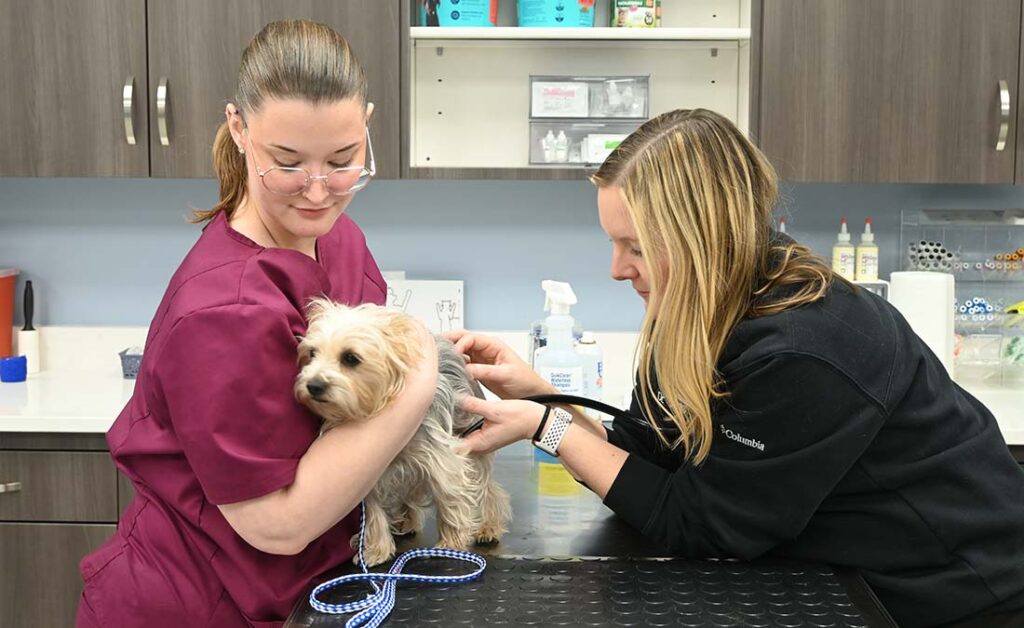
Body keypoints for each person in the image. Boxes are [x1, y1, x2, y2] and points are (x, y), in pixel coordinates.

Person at [449, 109, 1024, 628]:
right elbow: (653, 454)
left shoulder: (804, 349)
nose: (617, 270)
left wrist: (544, 428)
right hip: (836, 573)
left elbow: (701, 525)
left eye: (639, 247)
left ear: (702, 239)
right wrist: (544, 397)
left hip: (955, 594)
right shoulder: (702, 308)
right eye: (614, 243)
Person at [76, 21, 438, 627]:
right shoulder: (224, 310)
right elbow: (278, 524)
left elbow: (369, 378)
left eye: (343, 160)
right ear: (239, 129)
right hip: (196, 603)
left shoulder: (335, 237)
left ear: (368, 125)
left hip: (309, 587)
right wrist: (422, 373)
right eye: (288, 163)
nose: (319, 192)